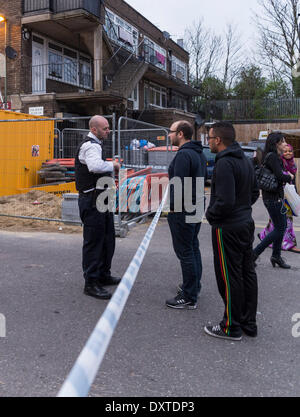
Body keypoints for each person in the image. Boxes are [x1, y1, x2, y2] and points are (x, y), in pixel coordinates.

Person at [204, 122, 259, 341]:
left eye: (209, 138)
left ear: (218, 140)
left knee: (228, 276)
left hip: (228, 227)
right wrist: (242, 209)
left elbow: (224, 201)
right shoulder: (245, 161)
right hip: (245, 223)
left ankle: (231, 326)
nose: (208, 142)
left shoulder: (225, 163)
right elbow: (254, 192)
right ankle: (248, 322)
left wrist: (212, 215)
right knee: (247, 273)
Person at [75, 115, 121, 299]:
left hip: (101, 198)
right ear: (94, 129)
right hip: (92, 200)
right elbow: (95, 166)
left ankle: (103, 274)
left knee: (107, 238)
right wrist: (114, 165)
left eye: (108, 128)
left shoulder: (96, 145)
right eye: (105, 128)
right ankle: (91, 282)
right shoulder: (90, 145)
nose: (108, 131)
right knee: (94, 242)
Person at [165, 120, 207, 310]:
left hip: (183, 208)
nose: (169, 135)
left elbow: (178, 184)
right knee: (192, 246)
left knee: (185, 251)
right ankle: (194, 286)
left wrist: (172, 207)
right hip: (196, 205)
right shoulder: (197, 153)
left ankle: (189, 296)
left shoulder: (183, 155)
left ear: (180, 134)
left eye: (171, 132)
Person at [253, 132, 294, 268]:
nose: (285, 144)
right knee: (280, 228)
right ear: (276, 143)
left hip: (276, 197)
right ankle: (254, 254)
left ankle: (276, 256)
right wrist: (290, 177)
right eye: (282, 142)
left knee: (280, 227)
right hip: (272, 198)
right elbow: (280, 176)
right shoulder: (272, 157)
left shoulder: (276, 157)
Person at [258, 143, 300, 253]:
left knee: (277, 222)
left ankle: (266, 236)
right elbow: (282, 177)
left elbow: (292, 181)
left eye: (290, 151)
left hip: (288, 194)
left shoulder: (292, 164)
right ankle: (288, 243)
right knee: (285, 221)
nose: (288, 153)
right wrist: (288, 176)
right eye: (285, 151)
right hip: (281, 196)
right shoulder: (279, 162)